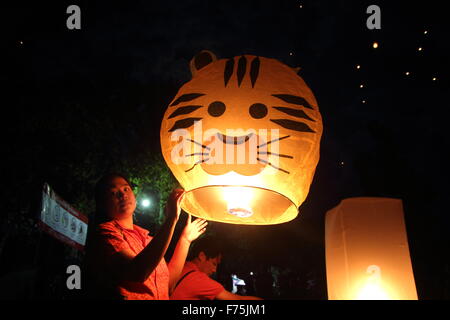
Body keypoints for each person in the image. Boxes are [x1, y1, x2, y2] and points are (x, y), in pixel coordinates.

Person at [84, 173, 207, 300]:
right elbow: (137, 271)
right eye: (113, 193)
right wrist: (171, 219)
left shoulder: (147, 239)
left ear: (134, 195)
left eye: (126, 189)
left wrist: (185, 240)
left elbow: (167, 284)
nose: (122, 195)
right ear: (102, 205)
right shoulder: (105, 233)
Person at [170, 236, 262, 300]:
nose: (214, 270)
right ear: (202, 256)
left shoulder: (179, 267)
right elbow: (238, 299)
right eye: (214, 264)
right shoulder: (198, 279)